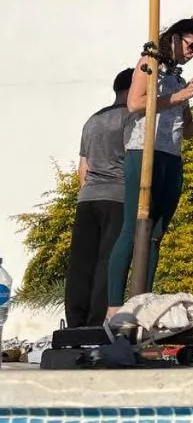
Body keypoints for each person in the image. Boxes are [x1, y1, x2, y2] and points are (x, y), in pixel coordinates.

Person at [107, 19, 193, 312]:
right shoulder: (150, 62)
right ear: (175, 38)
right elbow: (135, 103)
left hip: (171, 155)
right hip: (143, 150)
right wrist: (180, 96)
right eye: (192, 45)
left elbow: (187, 131)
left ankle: (142, 301)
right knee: (133, 228)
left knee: (156, 233)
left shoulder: (176, 77)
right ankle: (112, 306)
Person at [64, 69, 135, 328]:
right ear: (133, 87)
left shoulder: (93, 119)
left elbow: (83, 166)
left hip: (88, 198)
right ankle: (94, 325)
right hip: (117, 197)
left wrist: (88, 191)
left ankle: (74, 324)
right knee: (108, 261)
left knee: (81, 263)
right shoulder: (131, 117)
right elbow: (132, 160)